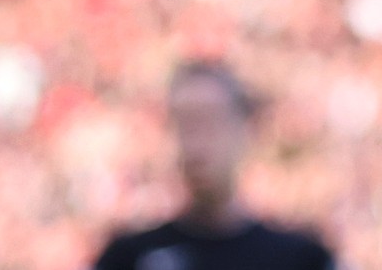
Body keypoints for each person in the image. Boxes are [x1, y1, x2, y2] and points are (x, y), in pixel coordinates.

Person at [93, 62, 334, 270]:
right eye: (186, 125)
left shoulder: (302, 259)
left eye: (211, 122)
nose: (197, 143)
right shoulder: (126, 258)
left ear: (243, 129)